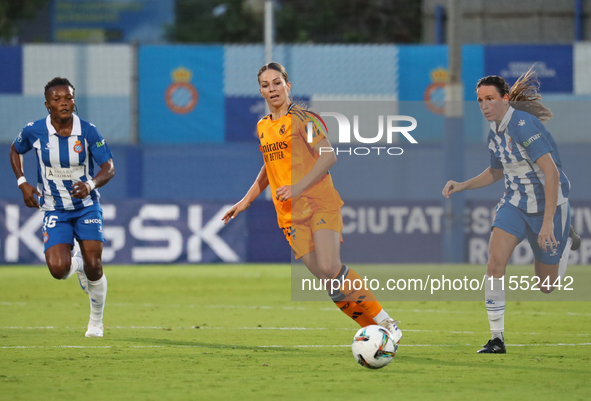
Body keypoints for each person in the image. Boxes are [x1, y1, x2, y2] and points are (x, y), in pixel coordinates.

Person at [222, 62, 402, 345]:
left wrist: (298, 187)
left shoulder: (302, 119)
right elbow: (269, 168)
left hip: (318, 201)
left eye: (277, 82)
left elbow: (328, 156)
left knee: (331, 266)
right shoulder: (263, 127)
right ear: (260, 91)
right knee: (327, 281)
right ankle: (379, 337)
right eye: (266, 85)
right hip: (289, 214)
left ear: (287, 85)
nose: (272, 89)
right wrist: (246, 201)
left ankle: (386, 322)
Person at [442, 69, 581, 354]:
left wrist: (547, 224)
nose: (484, 105)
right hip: (514, 203)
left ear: (506, 99)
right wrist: (462, 185)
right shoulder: (495, 131)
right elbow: (496, 171)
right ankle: (497, 338)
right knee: (494, 263)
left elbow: (551, 175)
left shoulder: (523, 126)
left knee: (546, 285)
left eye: (490, 98)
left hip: (549, 206)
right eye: (480, 100)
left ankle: (565, 239)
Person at [9, 77, 115, 338]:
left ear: (74, 100)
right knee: (58, 270)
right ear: (48, 104)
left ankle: (96, 323)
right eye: (57, 99)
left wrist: (90, 185)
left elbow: (109, 167)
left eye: (68, 97)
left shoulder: (88, 131)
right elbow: (15, 149)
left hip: (86, 206)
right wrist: (22, 182)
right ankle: (75, 264)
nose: (64, 103)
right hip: (54, 208)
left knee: (95, 265)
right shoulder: (34, 131)